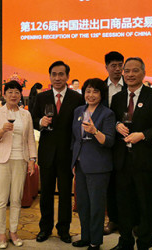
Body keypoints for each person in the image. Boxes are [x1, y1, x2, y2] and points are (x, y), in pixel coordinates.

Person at [110, 58, 152, 250]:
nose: (130, 74)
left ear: (143, 73)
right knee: (123, 204)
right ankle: (125, 241)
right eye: (127, 71)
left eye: (135, 71)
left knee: (145, 204)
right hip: (122, 161)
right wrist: (116, 125)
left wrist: (143, 135)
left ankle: (144, 243)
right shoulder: (118, 98)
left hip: (145, 160)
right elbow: (112, 120)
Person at [31, 60, 84, 243]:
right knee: (45, 193)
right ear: (50, 77)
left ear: (67, 77)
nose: (58, 78)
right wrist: (40, 122)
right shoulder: (41, 97)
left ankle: (63, 229)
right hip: (46, 153)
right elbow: (32, 117)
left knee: (64, 194)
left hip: (67, 153)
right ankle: (44, 228)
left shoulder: (77, 98)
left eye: (61, 74)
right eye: (54, 74)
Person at [0, 80, 37, 249]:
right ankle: (1, 233)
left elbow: (30, 138)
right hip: (1, 159)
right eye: (10, 92)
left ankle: (13, 232)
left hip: (20, 159)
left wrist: (32, 160)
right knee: (1, 199)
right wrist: (2, 130)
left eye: (16, 92)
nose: (13, 95)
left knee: (16, 198)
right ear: (4, 94)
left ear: (20, 94)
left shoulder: (26, 115)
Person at [71, 78, 115, 250]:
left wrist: (95, 131)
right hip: (80, 164)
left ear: (101, 94)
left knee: (96, 205)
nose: (90, 95)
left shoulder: (107, 114)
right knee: (82, 204)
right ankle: (85, 236)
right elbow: (75, 138)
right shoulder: (78, 111)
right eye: (88, 91)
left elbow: (110, 141)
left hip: (98, 166)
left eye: (95, 91)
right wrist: (74, 160)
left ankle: (95, 242)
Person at [102, 51, 126, 235]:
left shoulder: (132, 85)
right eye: (114, 66)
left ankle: (130, 220)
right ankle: (113, 219)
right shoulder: (100, 88)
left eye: (120, 65)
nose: (118, 69)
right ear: (107, 67)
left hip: (127, 142)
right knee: (109, 184)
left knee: (126, 184)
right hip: (104, 141)